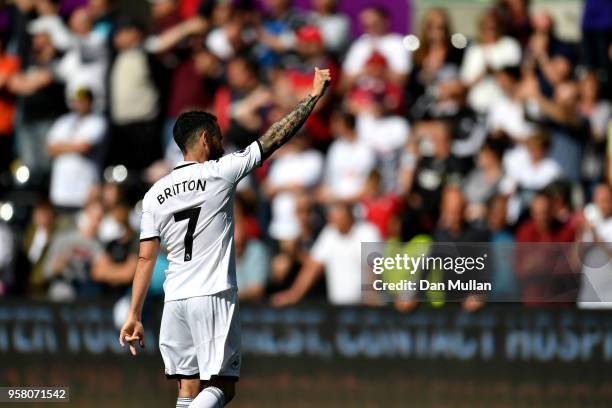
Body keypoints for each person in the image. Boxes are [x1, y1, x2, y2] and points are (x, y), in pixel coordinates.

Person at [119, 67, 331, 408]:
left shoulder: (155, 194)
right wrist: (314, 95)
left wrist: (134, 314)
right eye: (217, 135)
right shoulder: (220, 172)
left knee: (187, 390)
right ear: (205, 139)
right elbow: (276, 137)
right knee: (222, 387)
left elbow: (145, 258)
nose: (220, 142)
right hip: (213, 294)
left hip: (175, 300)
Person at [271, 201, 381, 306]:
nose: (331, 218)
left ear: (348, 215)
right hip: (339, 307)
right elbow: (313, 267)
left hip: (365, 306)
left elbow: (373, 266)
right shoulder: (329, 234)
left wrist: (371, 297)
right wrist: (294, 294)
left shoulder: (368, 232)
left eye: (336, 214)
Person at [46, 87, 106, 210]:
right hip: (60, 193)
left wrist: (61, 146)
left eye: (84, 100)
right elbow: (49, 149)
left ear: (90, 102)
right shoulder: (63, 121)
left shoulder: (98, 121)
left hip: (84, 193)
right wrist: (74, 145)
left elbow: (84, 147)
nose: (80, 104)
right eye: (77, 100)